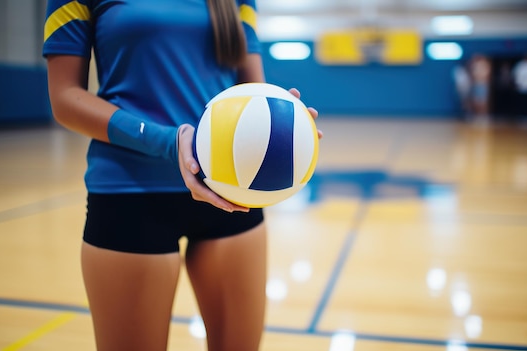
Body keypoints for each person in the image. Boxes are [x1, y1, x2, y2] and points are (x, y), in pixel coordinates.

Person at [42, 1, 320, 351]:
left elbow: (252, 88)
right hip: (130, 193)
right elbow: (65, 97)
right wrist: (170, 142)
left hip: (229, 194)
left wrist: (286, 122)